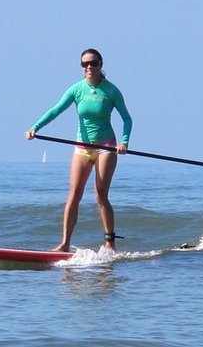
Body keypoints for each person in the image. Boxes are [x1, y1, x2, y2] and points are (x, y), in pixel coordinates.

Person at [25, 48, 133, 252]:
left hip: (106, 147)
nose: (89, 67)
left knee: (100, 195)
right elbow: (56, 110)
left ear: (101, 64)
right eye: (84, 64)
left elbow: (127, 118)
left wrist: (124, 142)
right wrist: (35, 128)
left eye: (93, 63)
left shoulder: (111, 91)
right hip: (82, 147)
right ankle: (64, 244)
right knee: (74, 194)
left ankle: (109, 242)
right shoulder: (76, 89)